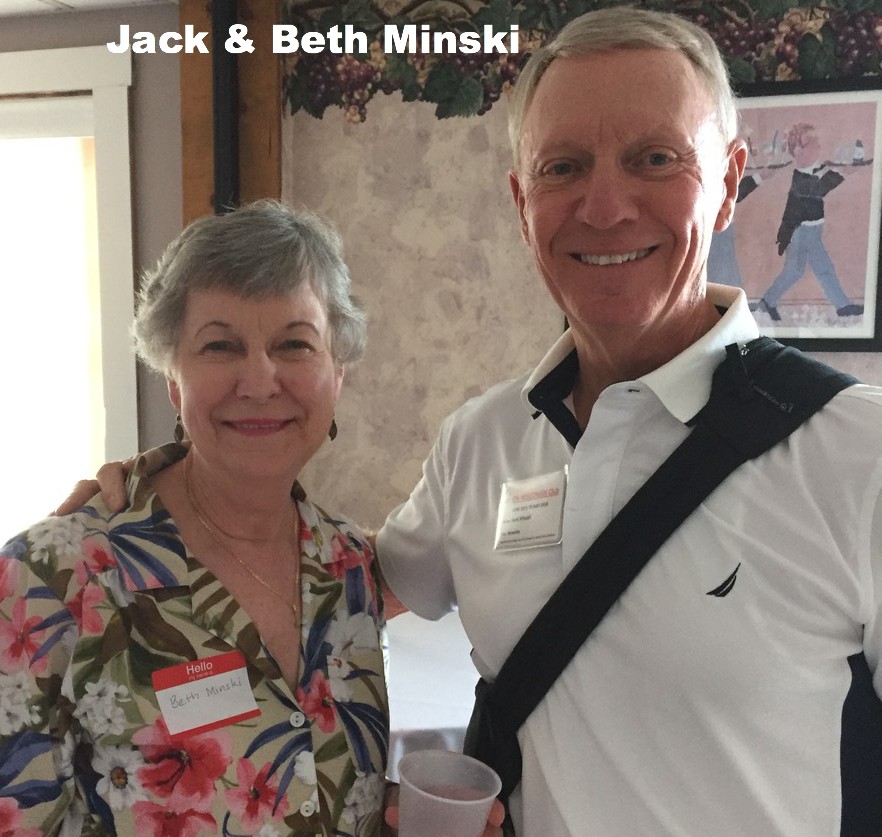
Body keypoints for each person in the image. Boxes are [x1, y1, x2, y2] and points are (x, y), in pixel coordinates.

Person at [57, 8, 882, 836]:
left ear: (731, 182)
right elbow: (335, 580)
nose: (604, 206)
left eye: (655, 159)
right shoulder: (482, 441)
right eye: (563, 167)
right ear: (523, 203)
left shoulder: (859, 454)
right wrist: (170, 501)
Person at [0, 201, 392, 836]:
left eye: (295, 344)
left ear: (337, 373)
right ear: (173, 381)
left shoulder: (351, 566)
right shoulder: (50, 580)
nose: (259, 382)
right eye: (220, 346)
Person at [753, 121, 864, 320]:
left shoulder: (816, 170)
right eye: (814, 144)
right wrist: (842, 173)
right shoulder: (800, 180)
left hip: (813, 230)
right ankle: (767, 301)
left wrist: (844, 167)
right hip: (800, 232)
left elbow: (822, 177)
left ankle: (842, 306)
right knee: (799, 270)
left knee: (816, 268)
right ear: (799, 151)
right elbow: (818, 189)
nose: (819, 147)